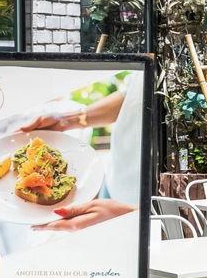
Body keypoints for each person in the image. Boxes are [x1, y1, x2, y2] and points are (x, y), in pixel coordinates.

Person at [17, 80, 141, 232]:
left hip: (145, 216)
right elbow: (133, 96)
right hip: (114, 180)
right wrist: (66, 120)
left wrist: (135, 214)